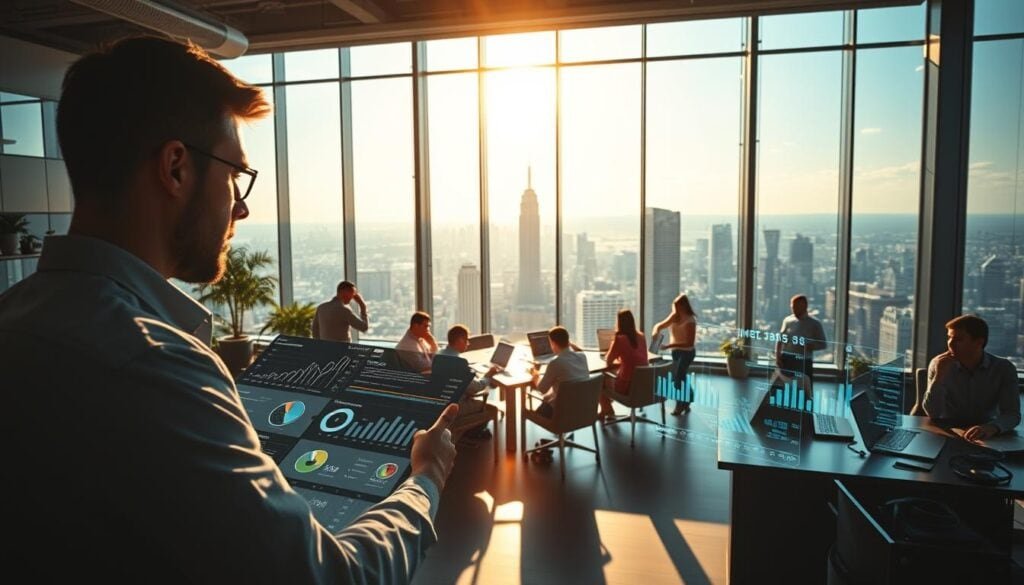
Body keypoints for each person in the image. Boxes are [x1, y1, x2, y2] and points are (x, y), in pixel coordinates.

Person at [0, 36, 459, 583]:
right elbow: (332, 578)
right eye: (234, 174)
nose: (240, 205)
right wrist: (425, 478)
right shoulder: (154, 367)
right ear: (175, 168)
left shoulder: (15, 319)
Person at [923, 315, 1020, 441]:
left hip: (985, 434)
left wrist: (992, 427)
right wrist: (939, 377)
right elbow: (933, 412)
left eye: (958, 339)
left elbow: (1012, 414)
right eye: (949, 337)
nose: (950, 343)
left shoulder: (1003, 369)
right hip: (946, 433)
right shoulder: (939, 364)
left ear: (979, 342)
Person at [437, 324, 501, 437]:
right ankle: (473, 433)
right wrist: (488, 375)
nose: (468, 343)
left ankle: (469, 432)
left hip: (441, 402)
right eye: (466, 340)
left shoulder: (439, 354)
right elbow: (475, 388)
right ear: (460, 340)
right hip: (456, 407)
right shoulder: (459, 363)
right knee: (492, 409)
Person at [530, 326, 589, 419]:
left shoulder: (555, 362)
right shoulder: (582, 356)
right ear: (568, 341)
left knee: (529, 409)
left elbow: (542, 389)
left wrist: (535, 375)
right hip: (582, 410)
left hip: (559, 413)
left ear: (552, 343)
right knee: (550, 395)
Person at [600, 309, 649, 421]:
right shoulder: (641, 336)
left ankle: (608, 411)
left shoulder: (620, 339)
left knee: (600, 381)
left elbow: (608, 361)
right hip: (645, 385)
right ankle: (604, 411)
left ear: (619, 323)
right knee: (610, 377)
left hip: (628, 387)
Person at [653, 294, 698, 415]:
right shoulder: (675, 316)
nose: (676, 310)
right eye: (675, 307)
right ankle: (687, 400)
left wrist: (669, 346)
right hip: (676, 352)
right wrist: (655, 331)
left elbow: (689, 343)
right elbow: (660, 325)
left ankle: (680, 405)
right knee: (680, 377)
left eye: (678, 307)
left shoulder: (690, 320)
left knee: (678, 377)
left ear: (684, 306)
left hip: (687, 353)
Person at [774, 294, 827, 393]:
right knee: (784, 390)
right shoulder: (788, 320)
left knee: (804, 392)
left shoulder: (815, 323)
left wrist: (810, 346)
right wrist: (778, 357)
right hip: (787, 359)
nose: (793, 309)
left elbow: (823, 344)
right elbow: (780, 339)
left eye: (796, 307)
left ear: (805, 306)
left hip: (803, 361)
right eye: (792, 307)